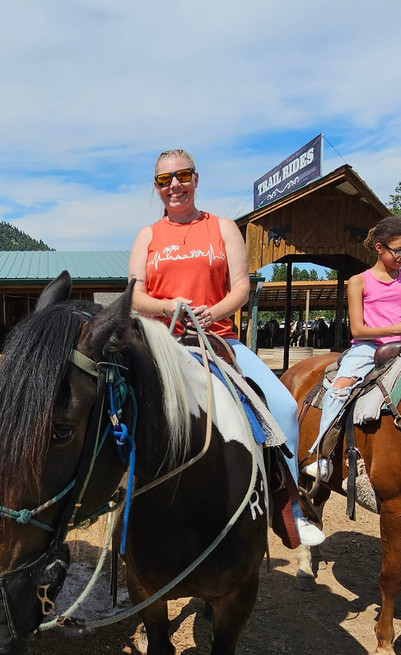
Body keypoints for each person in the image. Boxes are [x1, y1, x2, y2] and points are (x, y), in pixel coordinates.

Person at [127, 149, 324, 547]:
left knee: (283, 408)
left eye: (181, 176)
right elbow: (134, 295)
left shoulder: (222, 228)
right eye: (165, 180)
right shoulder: (148, 235)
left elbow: (241, 288)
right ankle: (120, 506)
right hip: (162, 343)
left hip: (218, 338)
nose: (174, 186)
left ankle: (290, 507)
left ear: (196, 179)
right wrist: (169, 307)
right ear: (156, 187)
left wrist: (210, 312)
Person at [310, 216, 401, 471]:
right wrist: (397, 328)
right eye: (398, 250)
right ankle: (323, 453)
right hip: (369, 347)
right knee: (340, 386)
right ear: (380, 247)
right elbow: (358, 329)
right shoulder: (360, 281)